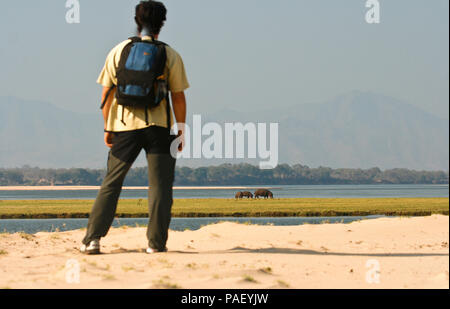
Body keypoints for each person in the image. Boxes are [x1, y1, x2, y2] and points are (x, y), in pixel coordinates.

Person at [80, 0, 189, 254]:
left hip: (124, 127)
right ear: (162, 23)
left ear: (136, 21)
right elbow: (179, 97)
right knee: (160, 186)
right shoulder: (170, 54)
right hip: (159, 128)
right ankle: (155, 244)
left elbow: (106, 93)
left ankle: (92, 240)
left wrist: (108, 127)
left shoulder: (118, 51)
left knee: (112, 182)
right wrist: (181, 130)